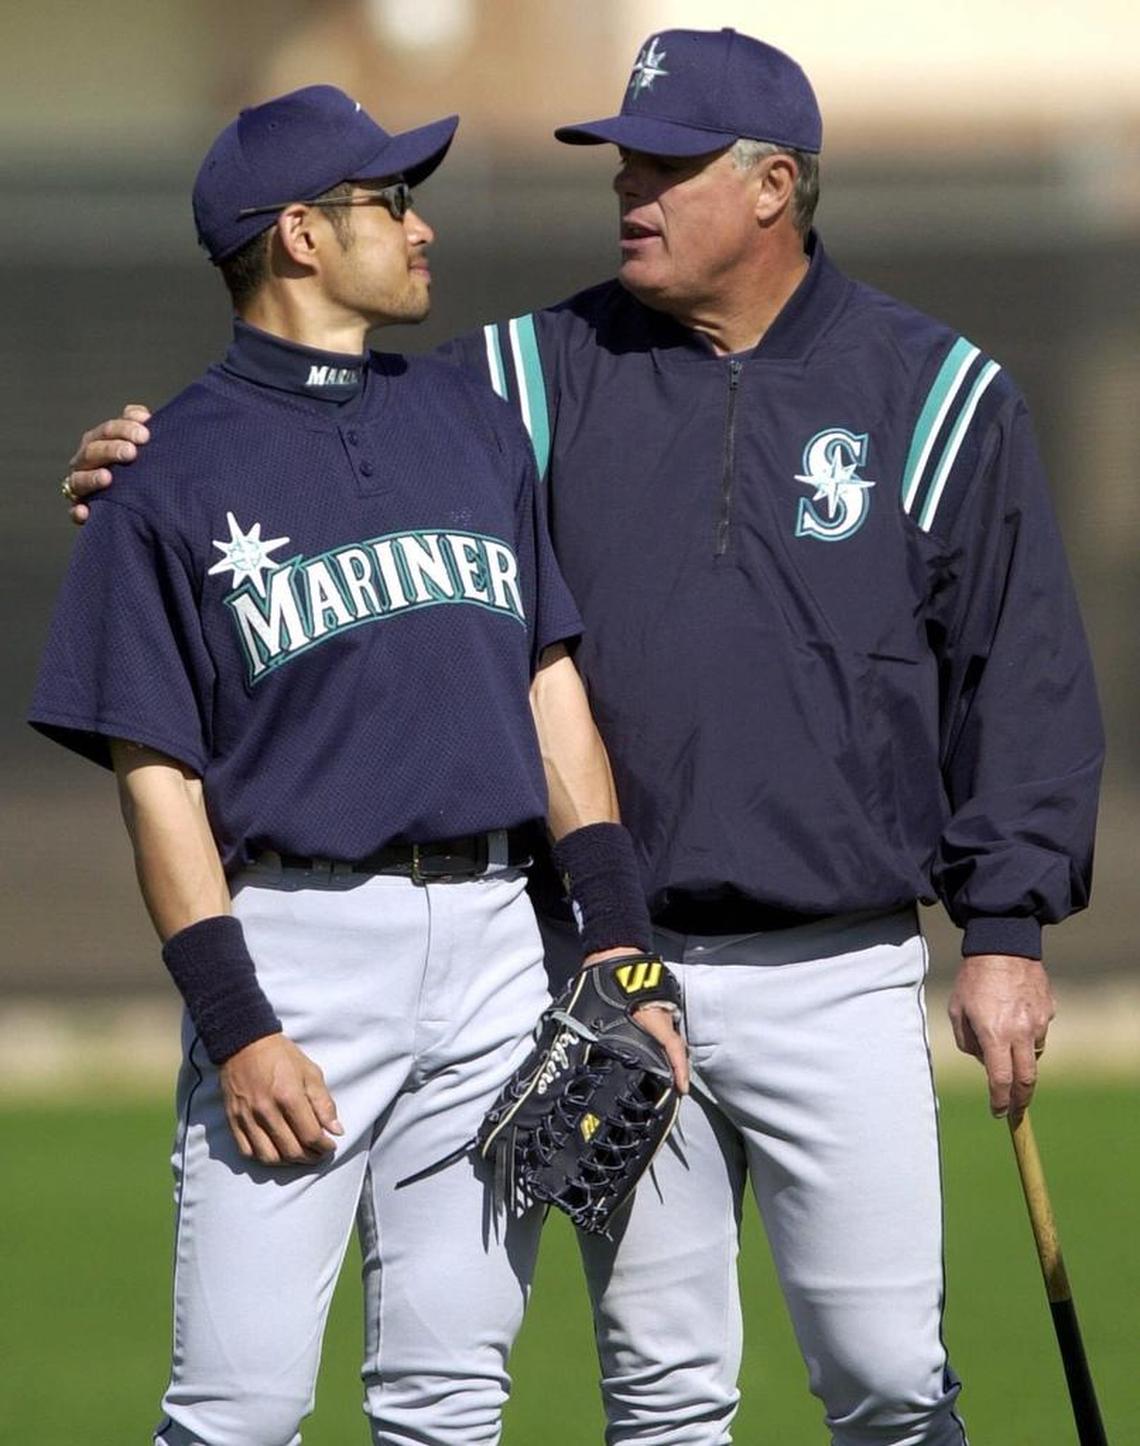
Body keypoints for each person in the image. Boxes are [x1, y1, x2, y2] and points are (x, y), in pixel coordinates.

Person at [60, 28, 1104, 1446]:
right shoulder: (516, 378)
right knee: (661, 1386)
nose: (631, 191)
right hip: (610, 971)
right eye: (622, 162)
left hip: (840, 966)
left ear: (774, 186)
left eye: (666, 167)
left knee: (887, 1377)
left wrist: (1009, 926)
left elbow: (1024, 677)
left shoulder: (942, 393)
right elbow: (305, 416)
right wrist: (141, 460)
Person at [33, 85, 685, 1446]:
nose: (418, 223)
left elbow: (548, 690)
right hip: (298, 948)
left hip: (500, 941)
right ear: (300, 238)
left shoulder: (469, 423)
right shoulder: (163, 477)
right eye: (389, 201)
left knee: (451, 1394)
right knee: (240, 1406)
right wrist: (236, 1020)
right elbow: (156, 780)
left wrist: (616, 941)